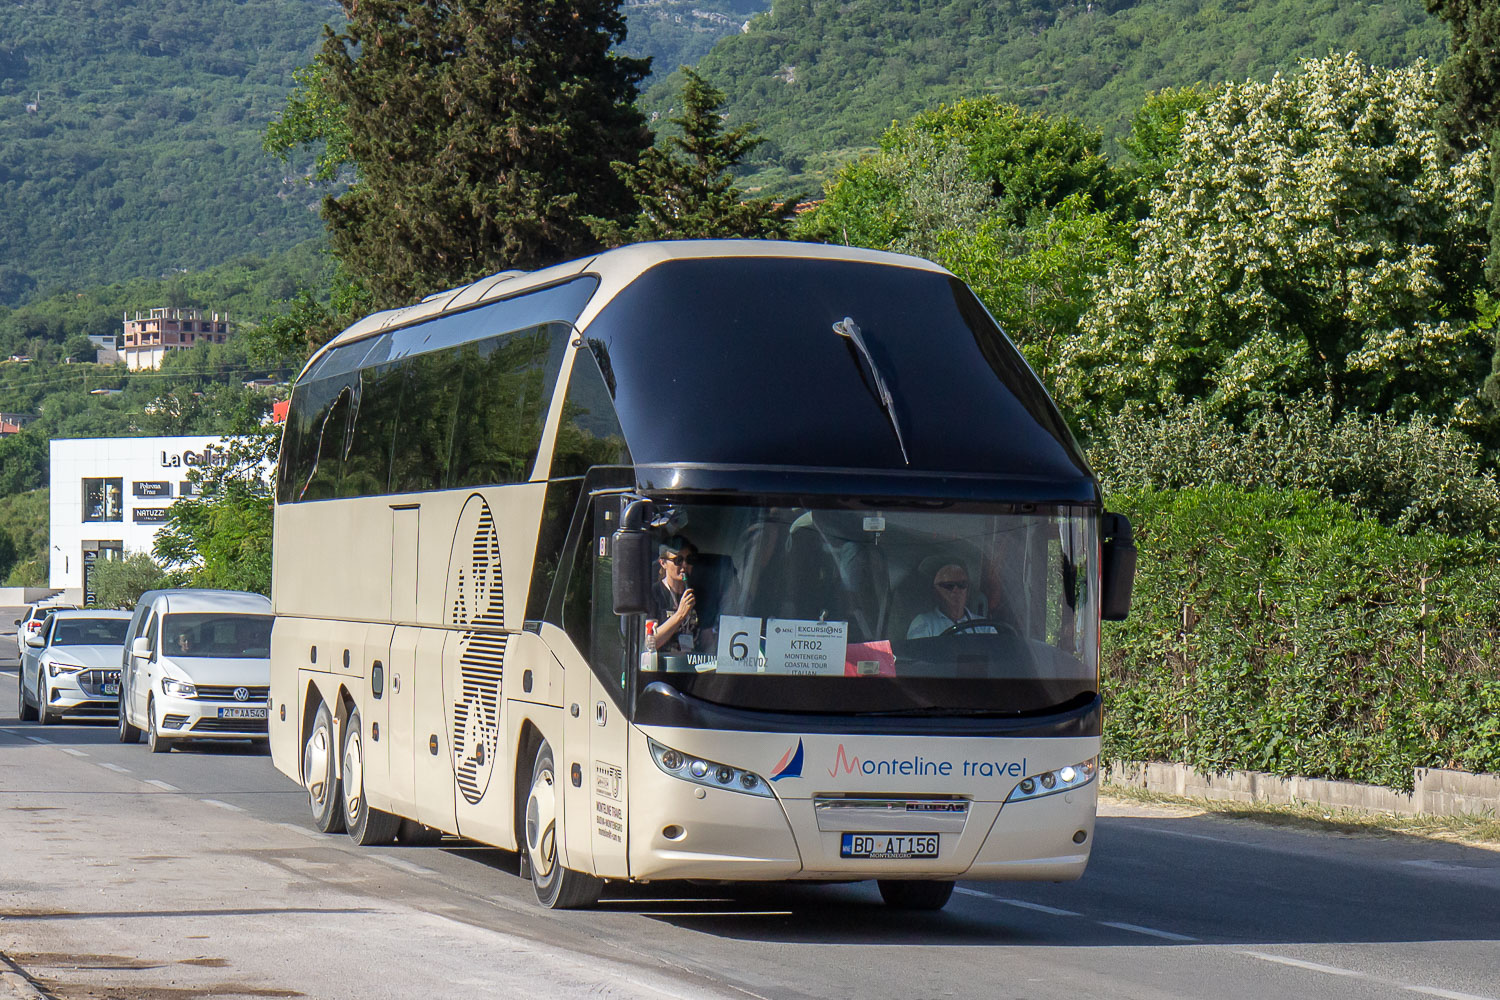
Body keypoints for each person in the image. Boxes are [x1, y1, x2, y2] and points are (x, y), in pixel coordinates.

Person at [906, 563, 997, 638]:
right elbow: (917, 658)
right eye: (949, 585)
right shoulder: (924, 623)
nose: (956, 590)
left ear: (968, 591)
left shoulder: (985, 626)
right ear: (935, 592)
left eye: (962, 584)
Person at [650, 536, 700, 653]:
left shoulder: (698, 594)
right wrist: (680, 615)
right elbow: (650, 643)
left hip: (693, 665)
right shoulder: (653, 594)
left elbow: (708, 640)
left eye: (689, 560)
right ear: (663, 563)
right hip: (664, 666)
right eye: (678, 560)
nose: (684, 565)